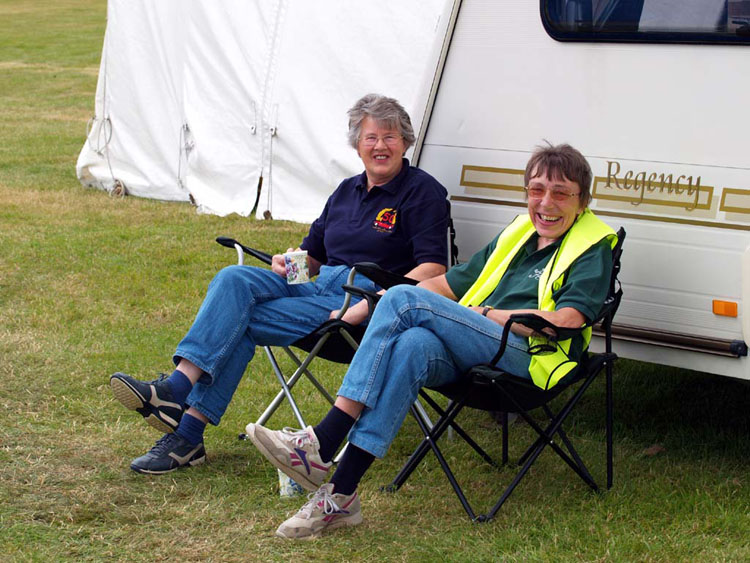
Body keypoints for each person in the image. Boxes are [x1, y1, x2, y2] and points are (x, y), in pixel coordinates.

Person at [246, 143, 618, 539]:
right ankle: (341, 495)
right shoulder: (518, 235)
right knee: (412, 343)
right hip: (480, 342)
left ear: (583, 201)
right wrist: (385, 300)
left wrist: (486, 315)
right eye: (536, 190)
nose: (546, 202)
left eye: (561, 193)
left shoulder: (591, 246)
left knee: (406, 299)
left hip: (531, 357)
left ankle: (324, 437)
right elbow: (446, 283)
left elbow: (569, 319)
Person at [110, 94, 451, 474]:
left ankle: (186, 430)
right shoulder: (345, 191)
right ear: (357, 144)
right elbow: (314, 258)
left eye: (390, 137)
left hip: (363, 303)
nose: (380, 146)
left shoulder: (422, 192)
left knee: (239, 324)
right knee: (234, 278)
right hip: (319, 287)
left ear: (406, 142)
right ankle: (176, 389)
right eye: (371, 137)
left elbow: (433, 271)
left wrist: (371, 300)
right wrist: (288, 264)